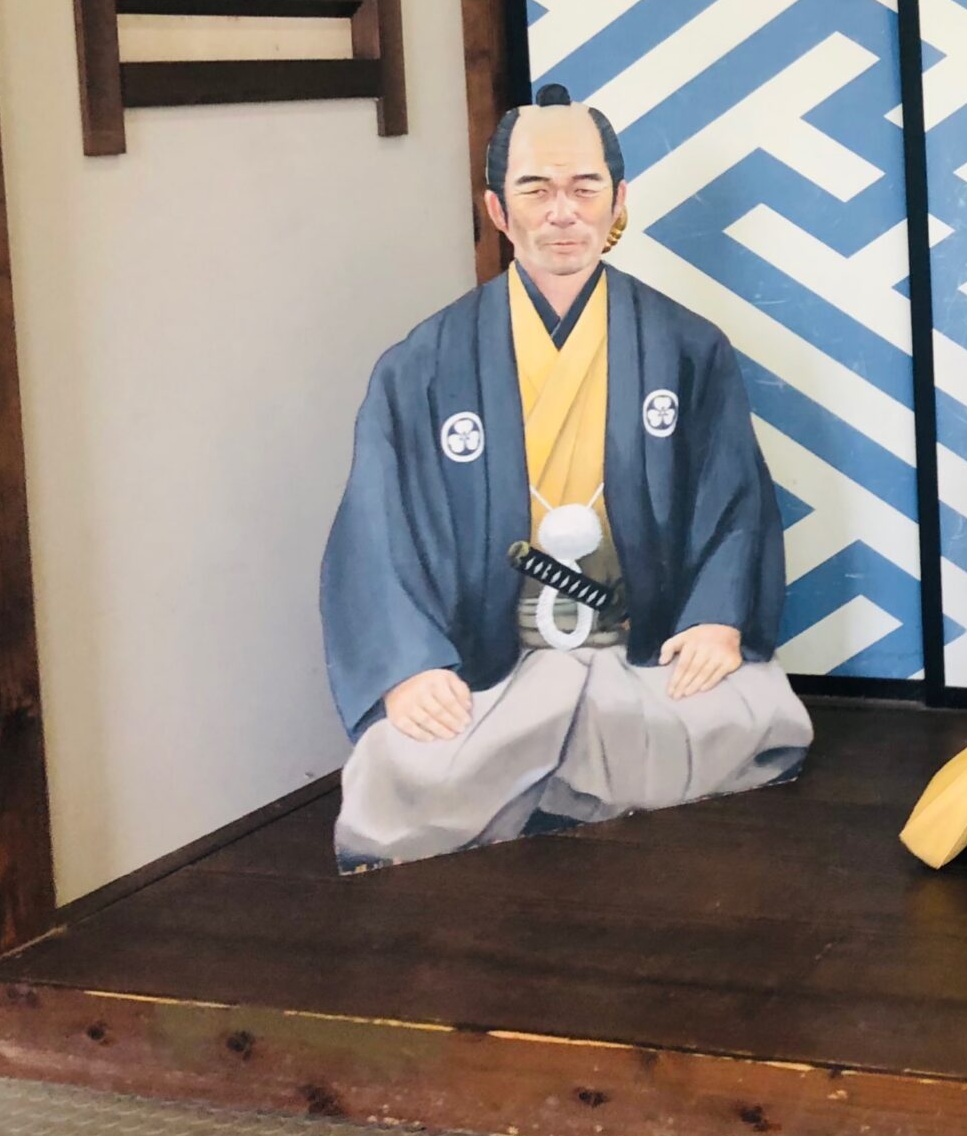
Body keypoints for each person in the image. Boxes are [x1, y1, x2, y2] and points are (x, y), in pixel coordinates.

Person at [321, 86, 811, 871]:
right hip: (491, 659)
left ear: (619, 201)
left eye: (585, 189)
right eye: (535, 190)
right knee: (396, 766)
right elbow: (376, 524)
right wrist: (408, 667)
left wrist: (718, 620)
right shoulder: (422, 365)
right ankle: (567, 770)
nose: (562, 213)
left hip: (642, 646)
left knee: (756, 714)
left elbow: (735, 501)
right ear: (496, 208)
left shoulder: (687, 346)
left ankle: (548, 777)